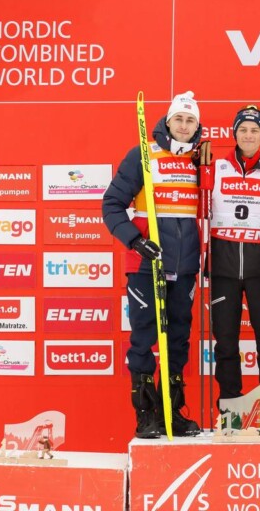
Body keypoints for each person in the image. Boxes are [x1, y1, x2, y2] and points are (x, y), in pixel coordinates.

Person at [102, 90, 203, 439]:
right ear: (168, 121)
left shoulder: (199, 160)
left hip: (186, 264)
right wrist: (135, 239)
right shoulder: (143, 155)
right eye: (179, 119)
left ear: (197, 125)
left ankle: (171, 413)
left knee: (177, 340)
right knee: (144, 338)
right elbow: (112, 204)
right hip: (146, 263)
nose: (185, 126)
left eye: (191, 120)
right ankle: (145, 416)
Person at [209, 105, 260, 429]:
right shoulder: (217, 167)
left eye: (255, 130)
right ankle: (231, 414)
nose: (249, 135)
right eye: (243, 130)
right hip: (223, 269)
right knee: (225, 342)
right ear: (235, 133)